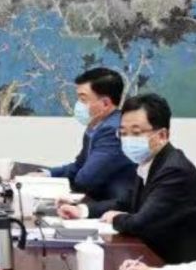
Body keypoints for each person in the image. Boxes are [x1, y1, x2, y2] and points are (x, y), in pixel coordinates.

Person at [92, 89, 196, 263]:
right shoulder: (149, 161)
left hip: (177, 264)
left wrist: (115, 218)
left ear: (162, 135)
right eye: (123, 133)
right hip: (154, 254)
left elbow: (140, 223)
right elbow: (125, 203)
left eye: (136, 133)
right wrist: (82, 210)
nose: (127, 140)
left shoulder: (174, 171)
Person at [48, 64, 138, 211]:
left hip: (114, 209)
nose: (78, 105)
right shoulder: (96, 125)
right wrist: (46, 174)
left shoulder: (112, 130)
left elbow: (86, 179)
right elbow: (78, 166)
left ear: (105, 103)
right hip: (99, 204)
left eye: (83, 99)